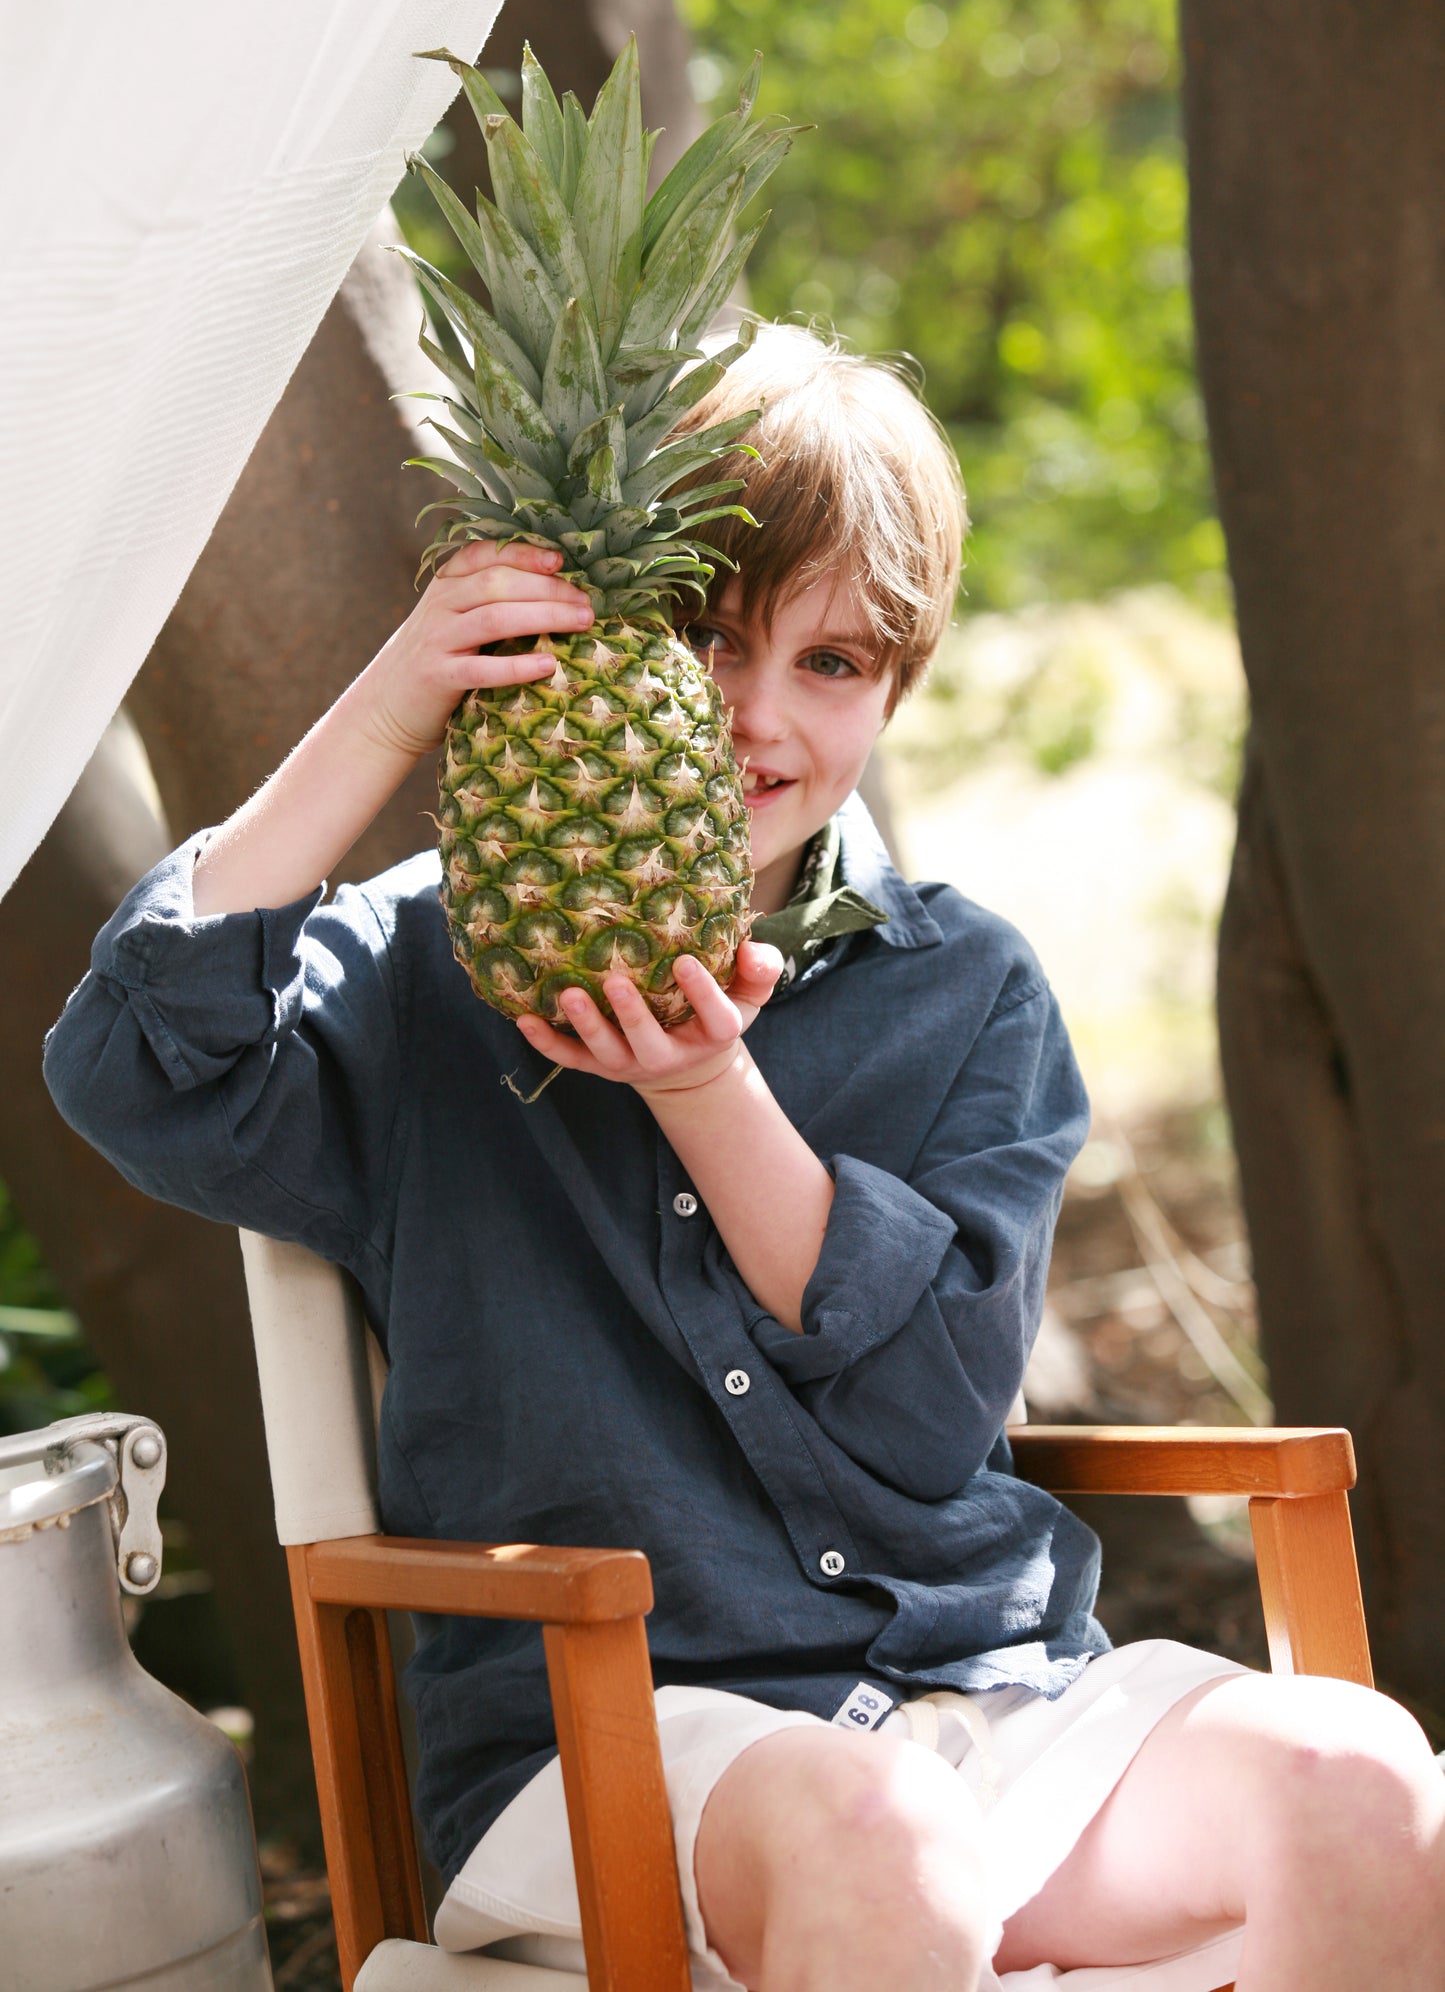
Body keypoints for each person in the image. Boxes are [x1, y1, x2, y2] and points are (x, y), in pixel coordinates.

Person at [45, 324, 1445, 1991]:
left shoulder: (963, 987)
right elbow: (135, 1064)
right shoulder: (425, 969)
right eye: (704, 638)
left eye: (834, 664)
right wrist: (392, 703)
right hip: (610, 1727)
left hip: (980, 1688)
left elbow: (936, 1424)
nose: (757, 718)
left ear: (894, 690)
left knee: (1365, 1784)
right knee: (881, 1844)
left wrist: (714, 1093)